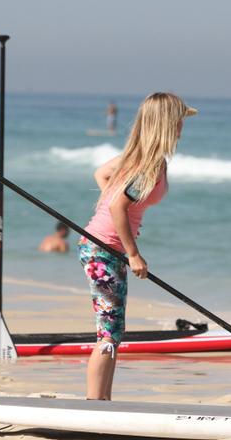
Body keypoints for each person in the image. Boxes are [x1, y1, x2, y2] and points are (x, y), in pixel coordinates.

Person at [79, 92, 197, 400]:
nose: (183, 127)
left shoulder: (141, 156)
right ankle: (95, 404)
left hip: (103, 248)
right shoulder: (148, 165)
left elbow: (101, 174)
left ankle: (102, 401)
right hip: (103, 250)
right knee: (109, 331)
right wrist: (133, 253)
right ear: (167, 124)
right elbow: (119, 207)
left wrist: (117, 217)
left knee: (112, 330)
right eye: (180, 121)